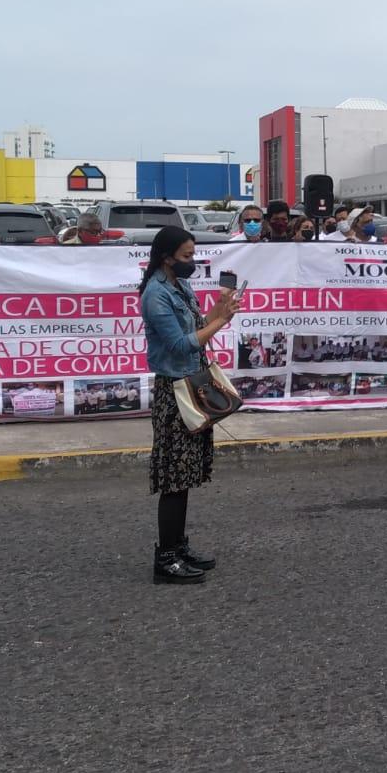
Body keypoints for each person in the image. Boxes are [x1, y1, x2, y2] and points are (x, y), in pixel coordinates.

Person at [140, 225, 240, 584]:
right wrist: (221, 322)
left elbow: (198, 327)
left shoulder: (180, 286)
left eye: (193, 254)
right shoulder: (156, 294)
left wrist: (220, 310)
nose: (192, 261)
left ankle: (178, 547)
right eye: (186, 255)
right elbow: (181, 345)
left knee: (186, 475)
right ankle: (166, 559)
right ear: (167, 257)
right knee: (174, 478)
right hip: (175, 392)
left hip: (193, 384)